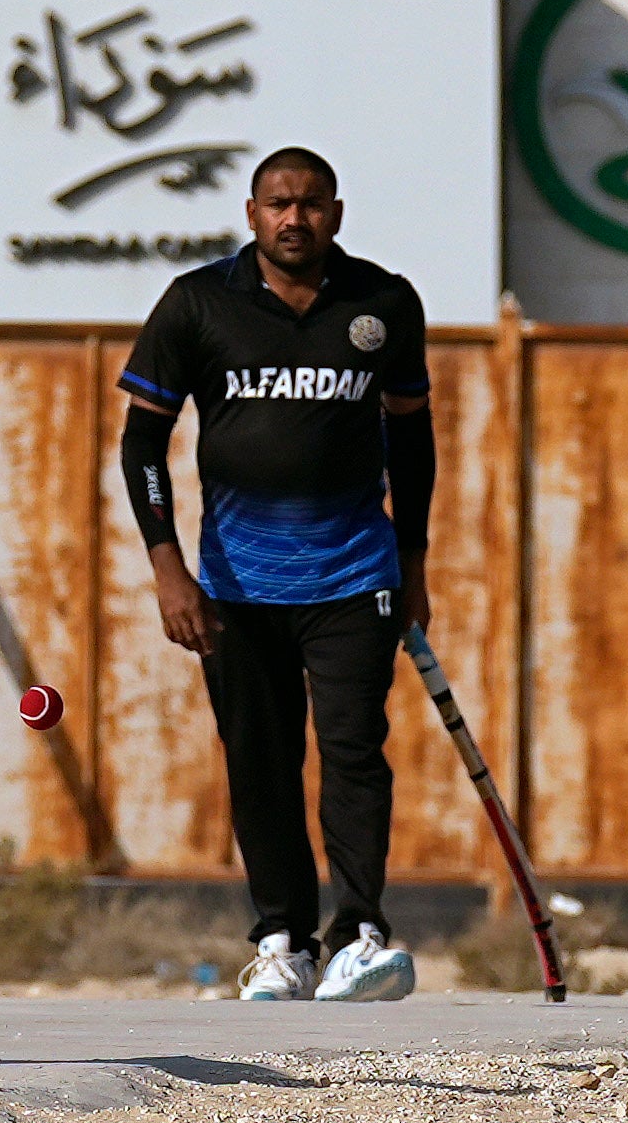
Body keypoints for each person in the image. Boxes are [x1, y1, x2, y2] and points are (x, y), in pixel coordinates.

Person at [121, 144, 441, 1002]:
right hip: (233, 584)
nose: (293, 218)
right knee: (259, 761)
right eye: (276, 203)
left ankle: (360, 935)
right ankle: (282, 940)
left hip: (354, 573)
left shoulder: (382, 302)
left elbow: (413, 439)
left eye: (310, 203)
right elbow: (141, 438)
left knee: (353, 753)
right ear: (251, 211)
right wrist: (168, 570)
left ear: (336, 211)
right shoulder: (197, 302)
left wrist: (412, 561)